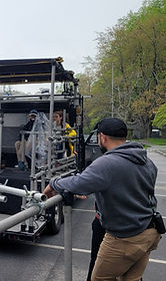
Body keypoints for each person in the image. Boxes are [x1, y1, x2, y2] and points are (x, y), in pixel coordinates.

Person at [43, 118, 162, 280]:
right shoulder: (146, 161)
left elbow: (79, 183)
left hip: (124, 238)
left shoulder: (106, 163)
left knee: (98, 278)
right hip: (148, 232)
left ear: (103, 137)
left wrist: (53, 183)